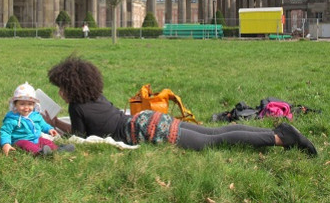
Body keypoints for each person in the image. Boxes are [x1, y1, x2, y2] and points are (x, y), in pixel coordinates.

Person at [45, 56, 317, 156]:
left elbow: (81, 139)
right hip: (147, 119)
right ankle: (279, 131)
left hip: (145, 131)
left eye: (61, 88)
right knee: (213, 132)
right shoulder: (96, 96)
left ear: (72, 88)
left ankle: (280, 138)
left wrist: (55, 126)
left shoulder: (77, 108)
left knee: (213, 143)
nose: (60, 92)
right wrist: (57, 123)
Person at [0, 82, 74, 156]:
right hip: (20, 140)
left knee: (45, 141)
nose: (26, 107)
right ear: (15, 104)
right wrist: (5, 143)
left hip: (35, 139)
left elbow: (43, 124)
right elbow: (5, 132)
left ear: (34, 105)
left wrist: (49, 129)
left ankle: (57, 149)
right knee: (26, 145)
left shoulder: (35, 116)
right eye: (22, 104)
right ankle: (40, 152)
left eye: (30, 104)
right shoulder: (12, 119)